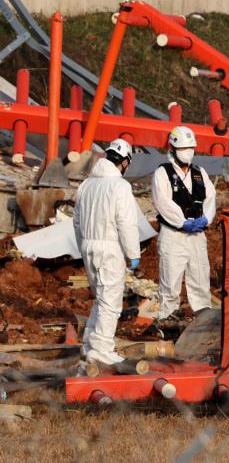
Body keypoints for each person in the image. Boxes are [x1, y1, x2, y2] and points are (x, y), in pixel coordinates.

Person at [73, 139, 141, 368]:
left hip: (88, 247)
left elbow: (77, 222)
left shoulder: (86, 185)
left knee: (100, 298)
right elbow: (126, 223)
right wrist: (133, 253)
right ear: (123, 162)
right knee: (110, 302)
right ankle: (101, 349)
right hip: (109, 248)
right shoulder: (119, 186)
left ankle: (89, 345)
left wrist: (83, 246)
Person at [153, 126, 216, 322]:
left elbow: (210, 197)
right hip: (174, 235)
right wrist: (181, 222)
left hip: (197, 234)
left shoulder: (200, 172)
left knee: (200, 278)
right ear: (172, 148)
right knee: (170, 282)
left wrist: (206, 218)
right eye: (183, 148)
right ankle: (167, 320)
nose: (187, 152)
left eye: (190, 148)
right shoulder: (163, 173)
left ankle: (203, 320)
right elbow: (163, 202)